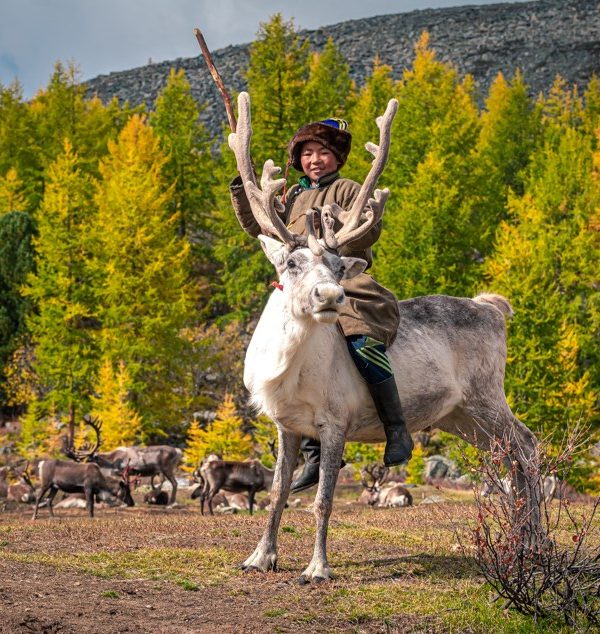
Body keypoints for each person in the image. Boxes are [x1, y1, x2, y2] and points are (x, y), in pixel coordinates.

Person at [230, 116, 413, 493]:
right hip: (298, 288)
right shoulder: (292, 197)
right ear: (299, 160)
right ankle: (315, 454)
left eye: (324, 152)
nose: (316, 160)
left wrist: (343, 232)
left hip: (345, 282)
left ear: (337, 158)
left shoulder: (348, 189)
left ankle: (396, 428)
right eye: (308, 153)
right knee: (288, 353)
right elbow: (260, 227)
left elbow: (369, 227)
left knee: (363, 341)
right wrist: (243, 188)